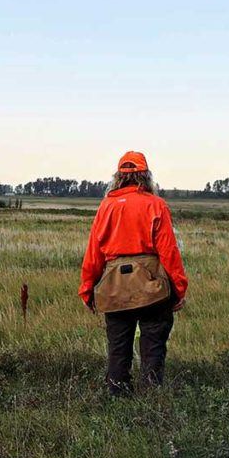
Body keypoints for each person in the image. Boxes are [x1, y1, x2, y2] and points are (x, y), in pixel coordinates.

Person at [79, 152, 188, 395]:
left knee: (118, 349)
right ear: (145, 176)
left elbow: (93, 255)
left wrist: (87, 290)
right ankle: (151, 399)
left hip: (114, 287)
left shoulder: (105, 207)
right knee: (153, 347)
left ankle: (118, 397)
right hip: (153, 290)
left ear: (118, 177)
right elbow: (169, 252)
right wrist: (178, 290)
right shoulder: (156, 205)